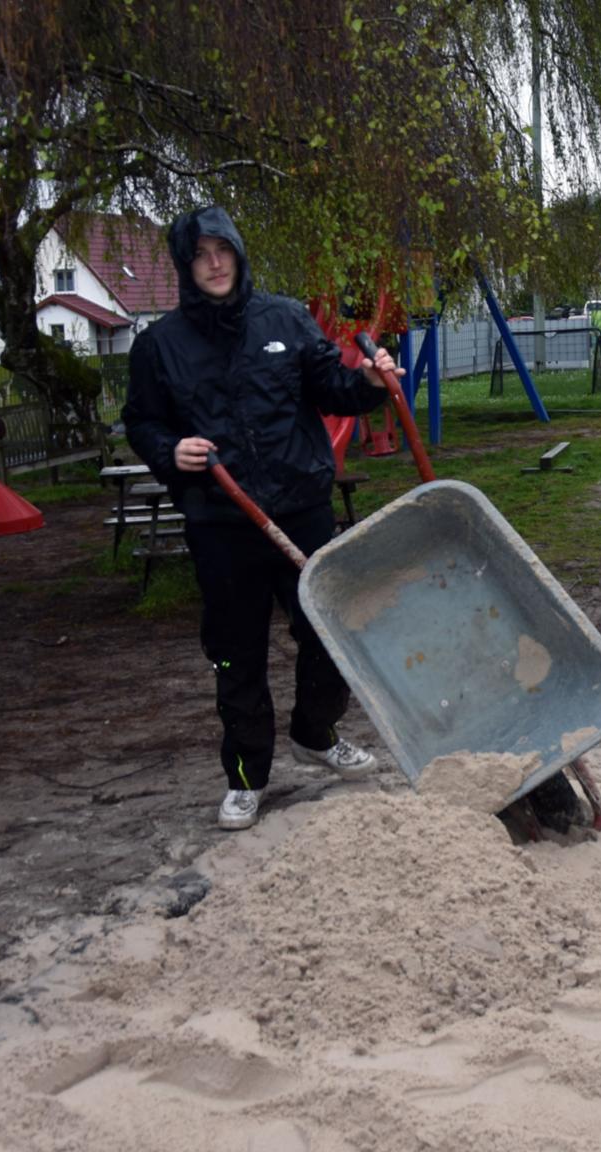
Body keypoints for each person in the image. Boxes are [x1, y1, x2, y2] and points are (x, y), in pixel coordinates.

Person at [124, 206, 399, 831]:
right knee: (234, 654)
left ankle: (315, 731)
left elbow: (333, 388)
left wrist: (370, 384)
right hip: (221, 523)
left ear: (239, 254)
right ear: (184, 266)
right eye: (200, 254)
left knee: (332, 628)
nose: (213, 262)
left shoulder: (285, 318)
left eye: (222, 249)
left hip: (300, 510)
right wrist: (170, 451)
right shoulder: (158, 346)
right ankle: (246, 778)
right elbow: (141, 421)